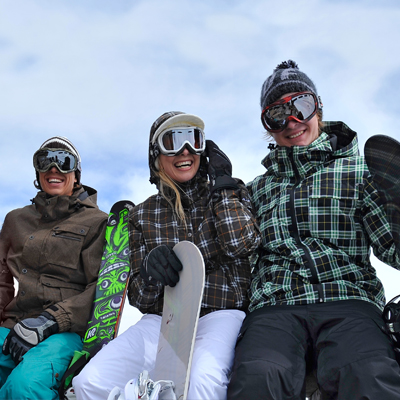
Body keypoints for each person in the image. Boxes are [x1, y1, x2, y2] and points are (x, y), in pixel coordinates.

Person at [227, 60, 400, 400]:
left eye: (301, 106)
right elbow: (231, 247)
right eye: (277, 115)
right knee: (259, 376)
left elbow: (392, 249)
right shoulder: (255, 190)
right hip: (275, 306)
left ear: (318, 108)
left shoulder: (356, 173)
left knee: (366, 373)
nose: (291, 122)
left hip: (348, 300)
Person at [73, 111, 260, 400]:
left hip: (220, 313)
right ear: (156, 155)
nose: (185, 150)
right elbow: (139, 298)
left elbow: (240, 244)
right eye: (173, 140)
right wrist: (150, 272)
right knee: (90, 382)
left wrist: (223, 185)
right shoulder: (142, 215)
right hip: (164, 319)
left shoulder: (229, 192)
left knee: (200, 382)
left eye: (193, 139)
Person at [0, 136, 107, 399]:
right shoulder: (16, 220)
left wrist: (49, 321)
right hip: (14, 326)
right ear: (37, 172)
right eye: (44, 161)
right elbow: (2, 280)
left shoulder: (97, 222)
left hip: (64, 332)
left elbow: (101, 289)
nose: (53, 169)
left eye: (64, 161)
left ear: (76, 173)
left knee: (24, 387)